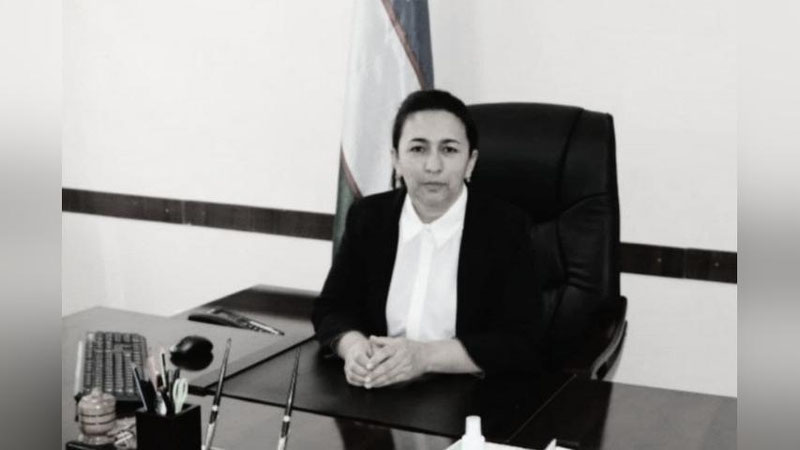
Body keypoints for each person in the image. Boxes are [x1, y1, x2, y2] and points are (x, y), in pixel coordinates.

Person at [312, 89, 545, 389]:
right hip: (377, 386)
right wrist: (354, 348)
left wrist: (424, 357)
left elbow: (521, 341)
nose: (433, 166)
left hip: (469, 394)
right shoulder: (369, 217)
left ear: (470, 162)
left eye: (448, 150)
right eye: (418, 149)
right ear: (396, 159)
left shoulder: (506, 227)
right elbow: (331, 308)